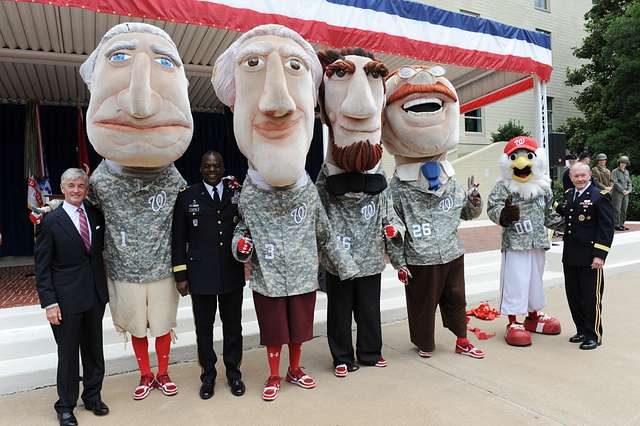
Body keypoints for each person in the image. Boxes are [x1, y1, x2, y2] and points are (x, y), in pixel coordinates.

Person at [212, 24, 359, 401]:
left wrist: (346, 266)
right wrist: (240, 244)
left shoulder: (307, 191)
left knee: (299, 329)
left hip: (301, 274)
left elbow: (324, 232)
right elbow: (241, 229)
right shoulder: (249, 193)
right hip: (268, 277)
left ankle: (296, 368)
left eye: (294, 67)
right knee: (274, 330)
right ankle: (275, 373)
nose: (276, 102)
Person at [78, 22, 194, 400]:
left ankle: (163, 372)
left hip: (161, 268)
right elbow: (89, 223)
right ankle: (145, 374)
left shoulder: (173, 178)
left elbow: (184, 218)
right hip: (124, 270)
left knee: (161, 326)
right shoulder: (100, 181)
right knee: (136, 328)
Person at [382, 65, 485, 359]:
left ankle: (462, 339)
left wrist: (474, 199)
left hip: (452, 251)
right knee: (421, 304)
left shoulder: (449, 179)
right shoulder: (397, 188)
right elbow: (393, 226)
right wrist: (399, 263)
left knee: (456, 299)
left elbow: (465, 213)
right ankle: (425, 342)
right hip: (420, 256)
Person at [315, 48, 405, 377]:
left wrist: (395, 234)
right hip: (339, 260)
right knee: (339, 312)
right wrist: (328, 252)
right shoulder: (324, 179)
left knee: (369, 309)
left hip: (369, 259)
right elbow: (318, 217)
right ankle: (342, 356)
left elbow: (388, 214)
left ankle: (370, 351)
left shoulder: (378, 177)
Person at [34, 168, 109, 426]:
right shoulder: (50, 222)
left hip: (94, 296)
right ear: (63, 188)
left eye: (81, 185)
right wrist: (49, 302)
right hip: (65, 300)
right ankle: (65, 405)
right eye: (71, 186)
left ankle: (93, 396)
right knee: (68, 354)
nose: (77, 190)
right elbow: (42, 267)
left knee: (93, 351)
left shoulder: (95, 215)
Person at [171, 151, 246, 399]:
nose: (212, 169)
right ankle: (209, 376)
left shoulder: (236, 194)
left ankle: (234, 374)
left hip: (230, 272)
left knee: (233, 327)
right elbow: (179, 238)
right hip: (200, 274)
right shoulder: (187, 196)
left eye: (216, 165)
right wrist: (180, 274)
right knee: (204, 329)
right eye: (207, 165)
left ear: (223, 167)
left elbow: (245, 227)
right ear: (201, 169)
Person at [487, 136, 564, 347]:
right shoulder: (503, 187)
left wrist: (570, 224)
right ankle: (513, 321)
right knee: (516, 281)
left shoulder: (543, 187)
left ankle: (533, 316)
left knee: (534, 281)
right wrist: (504, 214)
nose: (521, 163)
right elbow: (492, 209)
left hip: (537, 241)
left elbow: (549, 214)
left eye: (528, 156)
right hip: (515, 243)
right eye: (515, 157)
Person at [556, 163, 614, 350]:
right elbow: (569, 213)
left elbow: (606, 228)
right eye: (576, 176)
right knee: (574, 296)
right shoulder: (569, 194)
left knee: (590, 298)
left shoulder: (600, 196)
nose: (580, 179)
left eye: (583, 175)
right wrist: (550, 202)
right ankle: (581, 330)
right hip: (571, 255)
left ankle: (593, 335)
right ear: (571, 178)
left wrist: (600, 255)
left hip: (590, 257)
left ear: (589, 175)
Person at [611, 156, 632, 231]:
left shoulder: (627, 172)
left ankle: (622, 224)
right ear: (619, 163)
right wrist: (622, 190)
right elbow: (615, 182)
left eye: (624, 163)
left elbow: (629, 182)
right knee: (617, 209)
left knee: (624, 209)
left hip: (626, 193)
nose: (623, 164)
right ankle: (616, 225)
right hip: (617, 193)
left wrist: (629, 190)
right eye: (621, 162)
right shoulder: (615, 171)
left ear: (627, 164)